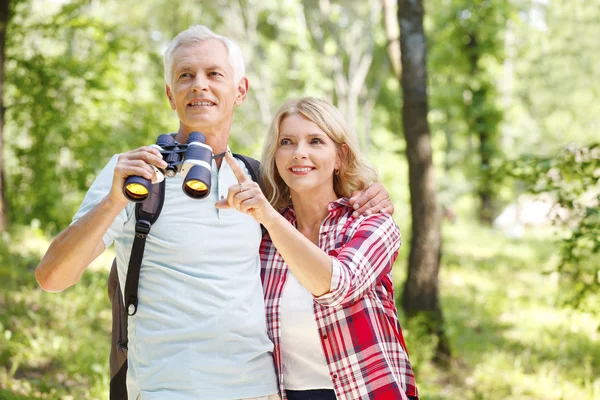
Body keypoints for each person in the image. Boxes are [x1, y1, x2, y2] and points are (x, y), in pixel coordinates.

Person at [34, 26, 393, 400]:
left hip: (259, 391)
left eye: (214, 74)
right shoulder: (133, 175)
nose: (199, 85)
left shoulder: (260, 180)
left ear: (240, 90)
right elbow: (52, 278)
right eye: (185, 76)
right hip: (164, 390)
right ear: (170, 95)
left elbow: (320, 194)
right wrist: (113, 201)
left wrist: (371, 193)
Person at [216, 97, 419, 400]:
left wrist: (269, 217)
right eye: (287, 142)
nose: (300, 153)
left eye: (315, 141)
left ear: (340, 157)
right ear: (275, 157)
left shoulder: (372, 224)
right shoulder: (262, 237)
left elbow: (338, 286)